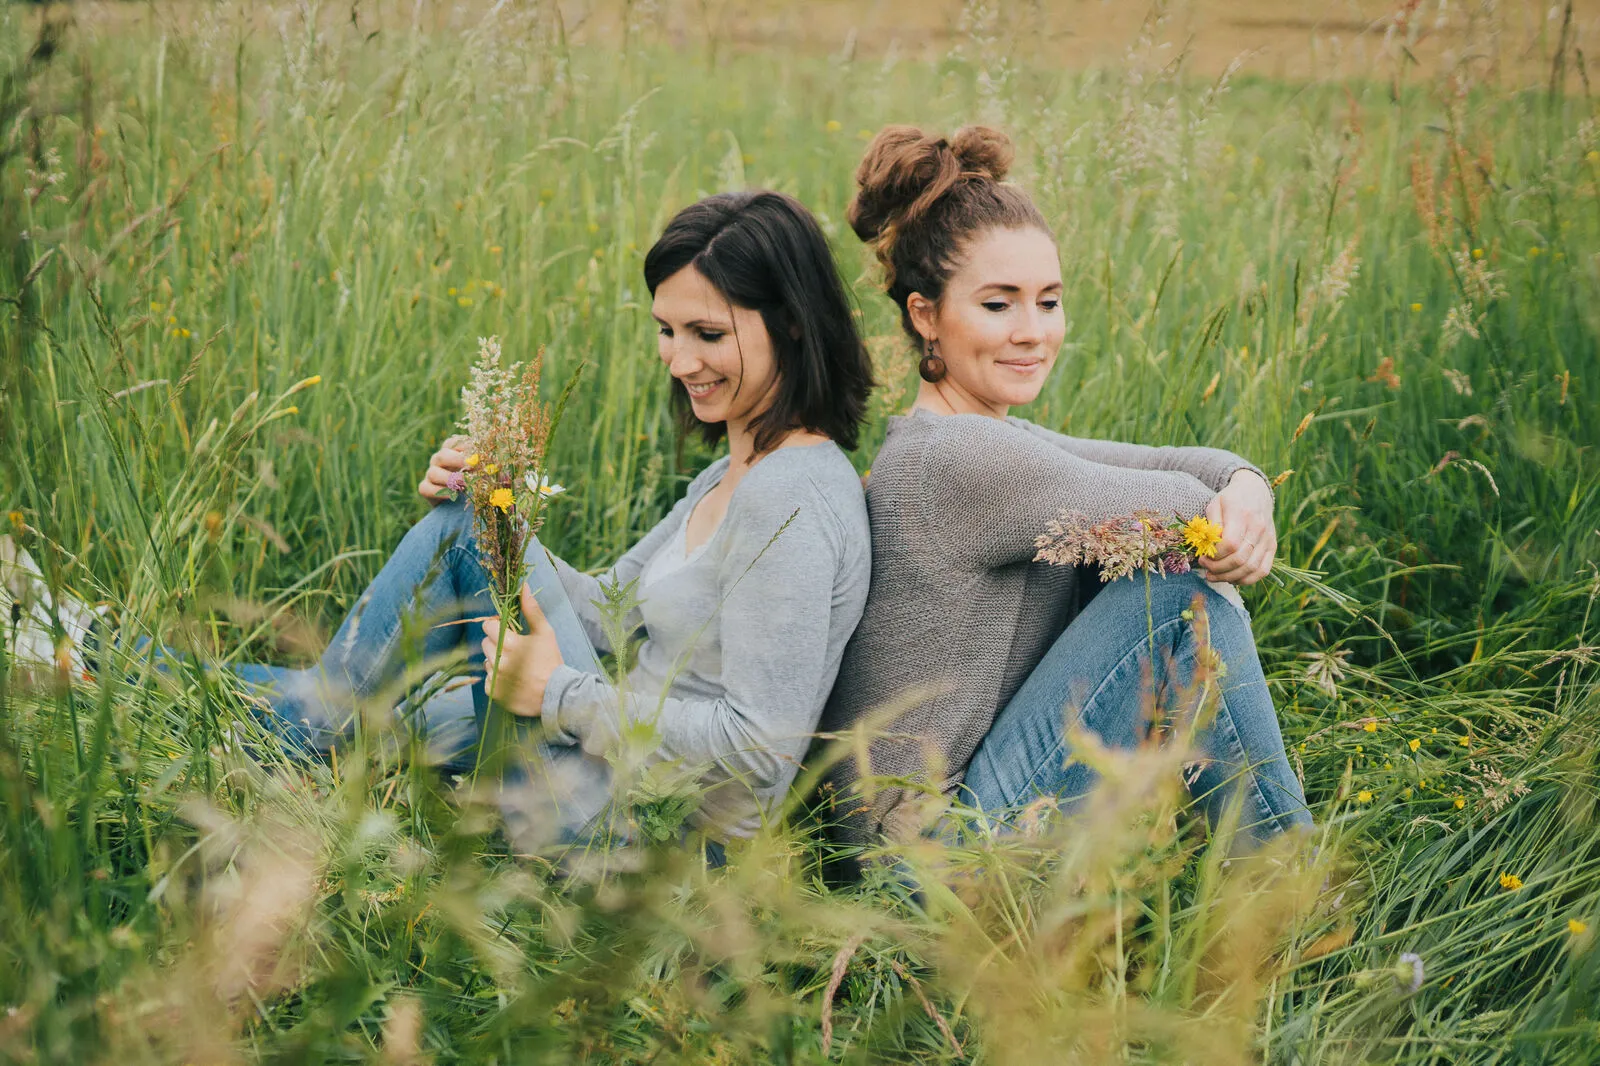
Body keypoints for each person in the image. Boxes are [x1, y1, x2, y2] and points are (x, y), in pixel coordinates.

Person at [4, 189, 875, 849]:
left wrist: (558, 692)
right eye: (664, 330)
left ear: (792, 326)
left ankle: (84, 655)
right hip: (612, 761)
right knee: (386, 702)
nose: (679, 361)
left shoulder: (790, 496)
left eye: (708, 335)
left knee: (367, 707)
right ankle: (92, 658)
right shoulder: (740, 466)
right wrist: (498, 506)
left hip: (655, 832)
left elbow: (761, 753)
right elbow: (611, 606)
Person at [816, 125, 1312, 854]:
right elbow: (1178, 505)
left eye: (1048, 302)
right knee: (1175, 601)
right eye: (998, 304)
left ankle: (1262, 870)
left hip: (958, 833)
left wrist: (1247, 488)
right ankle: (1291, 887)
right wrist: (1233, 507)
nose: (1032, 331)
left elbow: (1192, 465)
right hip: (932, 871)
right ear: (926, 315)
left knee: (1170, 586)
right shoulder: (956, 460)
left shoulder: (975, 440)